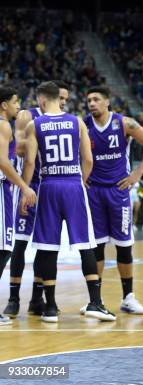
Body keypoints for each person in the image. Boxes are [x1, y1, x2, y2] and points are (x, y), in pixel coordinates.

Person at [22, 81, 115, 323]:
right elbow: (89, 159)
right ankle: (95, 302)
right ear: (58, 98)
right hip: (73, 184)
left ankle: (50, 308)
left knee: (48, 246)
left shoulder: (35, 124)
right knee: (85, 244)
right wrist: (81, 180)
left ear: (42, 101)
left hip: (49, 185)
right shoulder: (77, 122)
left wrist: (24, 190)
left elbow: (30, 163)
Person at [81, 85, 143, 315]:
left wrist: (137, 174)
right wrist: (81, 176)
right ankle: (95, 299)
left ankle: (128, 297)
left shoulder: (124, 123)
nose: (92, 103)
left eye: (96, 99)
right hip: (93, 191)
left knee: (124, 247)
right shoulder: (82, 125)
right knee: (96, 248)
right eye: (89, 100)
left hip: (118, 191)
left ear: (107, 102)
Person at [4, 80, 70, 318]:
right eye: (60, 97)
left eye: (65, 99)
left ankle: (36, 298)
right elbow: (20, 149)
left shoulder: (67, 120)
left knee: (46, 245)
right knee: (19, 244)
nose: (63, 102)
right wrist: (44, 134)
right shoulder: (26, 115)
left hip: (49, 187)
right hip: (28, 185)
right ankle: (13, 299)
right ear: (47, 98)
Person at [0, 86, 37, 325]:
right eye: (15, 101)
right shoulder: (3, 125)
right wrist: (24, 186)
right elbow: (2, 161)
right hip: (2, 190)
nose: (18, 106)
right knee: (3, 249)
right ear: (4, 104)